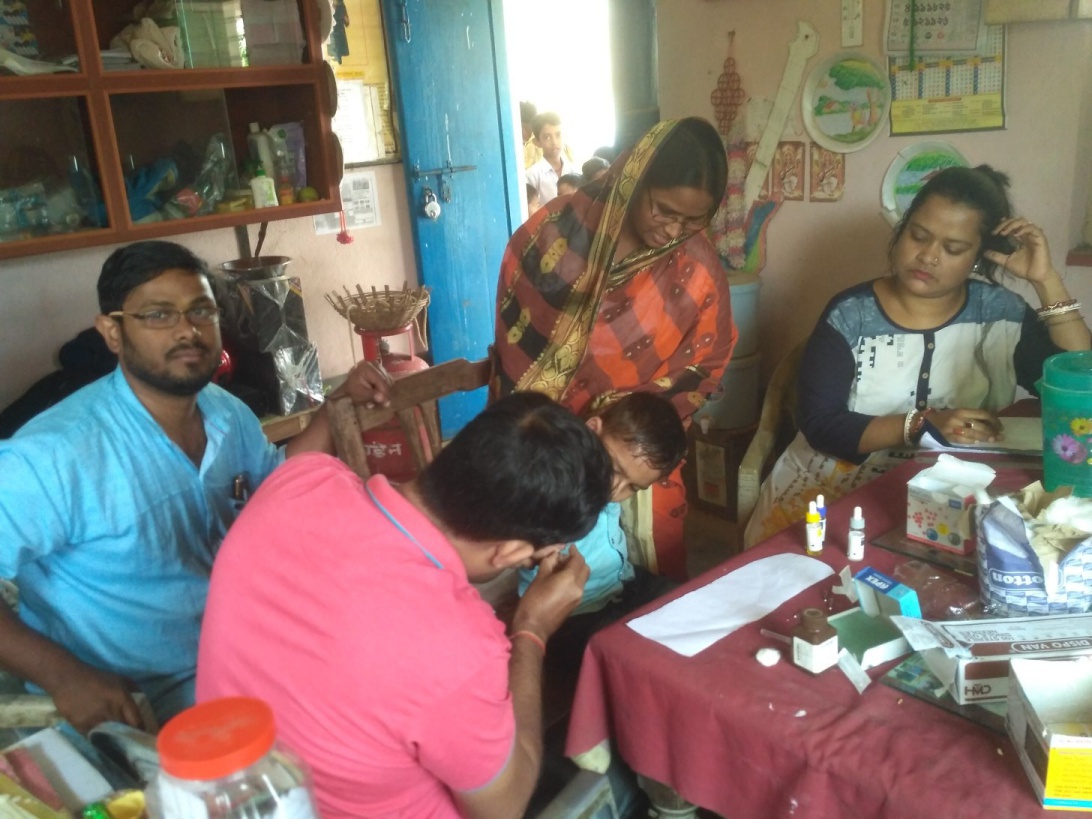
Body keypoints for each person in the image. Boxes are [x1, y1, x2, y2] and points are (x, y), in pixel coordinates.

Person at [0, 240, 390, 733]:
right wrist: (64, 676)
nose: (187, 330)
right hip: (137, 706)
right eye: (159, 315)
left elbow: (274, 490)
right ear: (113, 332)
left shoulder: (225, 413)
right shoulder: (54, 454)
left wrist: (335, 406)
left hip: (243, 658)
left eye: (201, 311)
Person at [196, 392, 613, 818]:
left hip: (233, 793)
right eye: (531, 557)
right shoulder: (461, 649)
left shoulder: (301, 479)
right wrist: (532, 629)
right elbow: (502, 808)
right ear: (509, 553)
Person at [745, 165, 1092, 547]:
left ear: (979, 255)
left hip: (951, 497)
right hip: (831, 496)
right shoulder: (850, 315)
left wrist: (1046, 281)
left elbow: (1080, 390)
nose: (928, 256)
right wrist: (921, 424)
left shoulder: (1001, 313)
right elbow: (821, 426)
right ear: (901, 230)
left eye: (953, 248)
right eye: (918, 236)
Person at [492, 116, 737, 582]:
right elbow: (520, 324)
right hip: (546, 432)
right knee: (551, 560)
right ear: (634, 177)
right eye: (664, 210)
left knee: (652, 565)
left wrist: (626, 419)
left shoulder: (697, 267)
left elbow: (709, 358)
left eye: (693, 220)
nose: (674, 230)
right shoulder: (557, 232)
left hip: (637, 442)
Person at [517, 392, 683, 692]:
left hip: (620, 585)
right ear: (592, 429)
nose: (613, 489)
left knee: (685, 599)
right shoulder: (554, 483)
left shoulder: (602, 481)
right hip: (570, 615)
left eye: (633, 487)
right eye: (614, 467)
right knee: (627, 659)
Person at [524, 111, 581, 205]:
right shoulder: (531, 176)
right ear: (537, 142)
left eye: (558, 135)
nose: (554, 142)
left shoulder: (574, 170)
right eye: (547, 137)